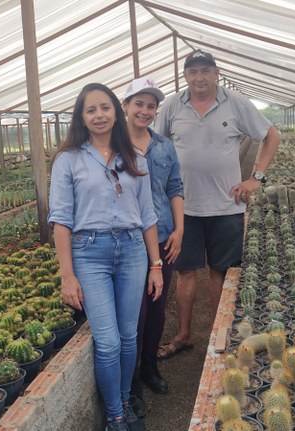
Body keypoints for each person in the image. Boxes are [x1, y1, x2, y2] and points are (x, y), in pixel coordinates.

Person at [48, 82, 164, 431]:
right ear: (81, 118)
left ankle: (126, 402)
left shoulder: (135, 158)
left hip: (132, 251)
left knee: (129, 336)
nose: (99, 115)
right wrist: (67, 276)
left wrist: (155, 265)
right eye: (90, 110)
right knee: (108, 340)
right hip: (90, 253)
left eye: (104, 108)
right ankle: (115, 415)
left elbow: (148, 216)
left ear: (116, 111)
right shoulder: (68, 160)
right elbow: (61, 220)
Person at [153, 50, 280, 359]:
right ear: (185, 76)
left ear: (216, 73)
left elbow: (271, 135)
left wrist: (256, 178)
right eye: (193, 71)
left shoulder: (235, 102)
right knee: (185, 272)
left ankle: (217, 332)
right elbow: (152, 142)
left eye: (205, 71)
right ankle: (183, 335)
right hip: (184, 209)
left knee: (219, 272)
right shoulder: (172, 104)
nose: (199, 77)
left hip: (227, 206)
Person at [121, 77, 184, 397]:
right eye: (139, 104)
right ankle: (131, 381)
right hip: (127, 241)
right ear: (125, 107)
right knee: (136, 311)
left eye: (151, 106)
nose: (145, 111)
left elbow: (175, 188)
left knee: (157, 306)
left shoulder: (164, 146)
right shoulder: (112, 146)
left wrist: (179, 229)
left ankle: (149, 366)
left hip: (162, 236)